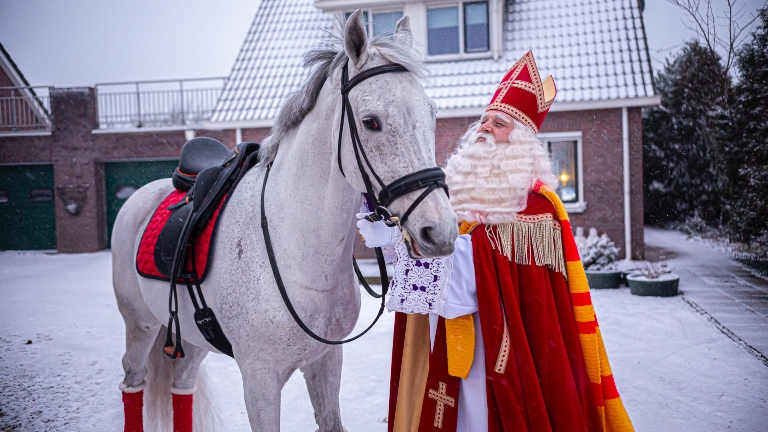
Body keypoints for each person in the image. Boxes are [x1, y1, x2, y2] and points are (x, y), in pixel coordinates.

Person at [358, 51, 633, 432]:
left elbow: (470, 276)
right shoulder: (453, 195)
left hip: (502, 352)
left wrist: (396, 241)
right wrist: (393, 239)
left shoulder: (535, 206)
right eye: (484, 120)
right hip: (447, 337)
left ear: (520, 141)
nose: (484, 128)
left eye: (498, 123)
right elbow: (436, 267)